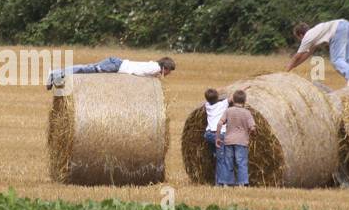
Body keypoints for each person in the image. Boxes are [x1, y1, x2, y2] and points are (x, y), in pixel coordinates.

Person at [286, 19, 349, 86]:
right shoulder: (315, 33)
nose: (300, 40)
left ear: (301, 35)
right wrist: (294, 66)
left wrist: (285, 71)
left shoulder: (307, 37)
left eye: (298, 38)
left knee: (336, 60)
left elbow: (296, 56)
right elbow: (307, 54)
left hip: (338, 29)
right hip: (347, 24)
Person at [46, 56, 175, 89]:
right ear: (166, 68)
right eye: (169, 71)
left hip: (115, 64)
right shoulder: (155, 69)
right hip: (114, 66)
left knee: (85, 69)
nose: (169, 74)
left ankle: (57, 74)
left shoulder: (154, 65)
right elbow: (138, 73)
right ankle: (55, 74)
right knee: (84, 69)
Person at [215, 90, 255, 186]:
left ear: (233, 100)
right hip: (241, 142)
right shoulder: (247, 113)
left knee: (228, 162)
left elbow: (219, 123)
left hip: (228, 141)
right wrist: (251, 133)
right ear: (245, 101)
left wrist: (217, 137)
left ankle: (225, 183)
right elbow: (253, 128)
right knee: (241, 162)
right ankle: (242, 183)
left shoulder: (228, 111)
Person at [202, 88, 228, 158]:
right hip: (219, 134)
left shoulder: (207, 105)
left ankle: (214, 155)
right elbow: (234, 97)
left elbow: (211, 96)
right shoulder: (223, 104)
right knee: (222, 159)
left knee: (215, 155)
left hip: (208, 134)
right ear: (217, 97)